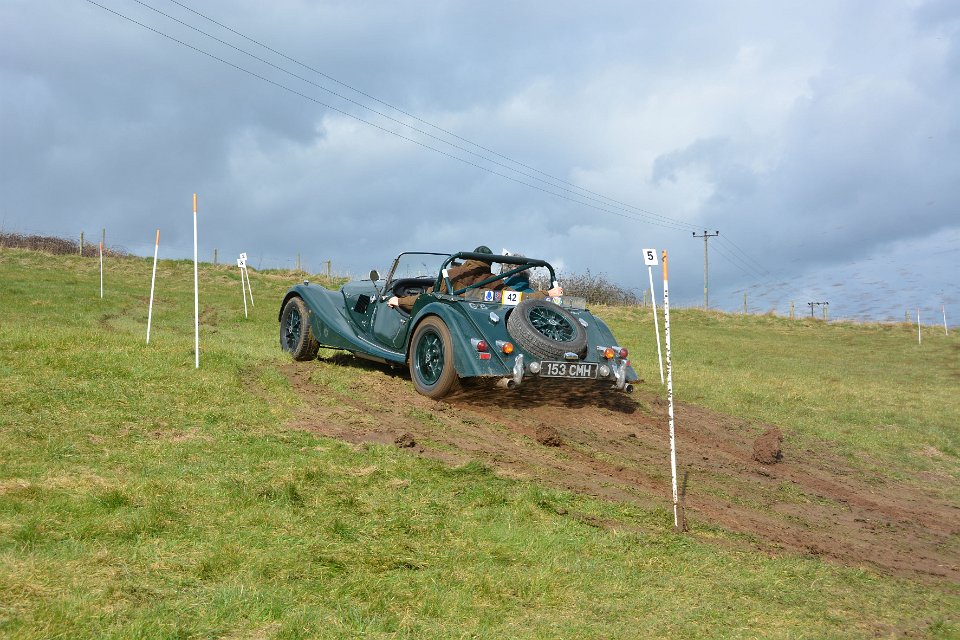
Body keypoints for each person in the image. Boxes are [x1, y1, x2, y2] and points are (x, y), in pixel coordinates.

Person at [387, 245, 562, 312]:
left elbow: (426, 299)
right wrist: (547, 293)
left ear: (470, 258)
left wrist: (399, 300)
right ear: (489, 263)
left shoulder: (452, 274)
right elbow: (519, 298)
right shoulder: (495, 281)